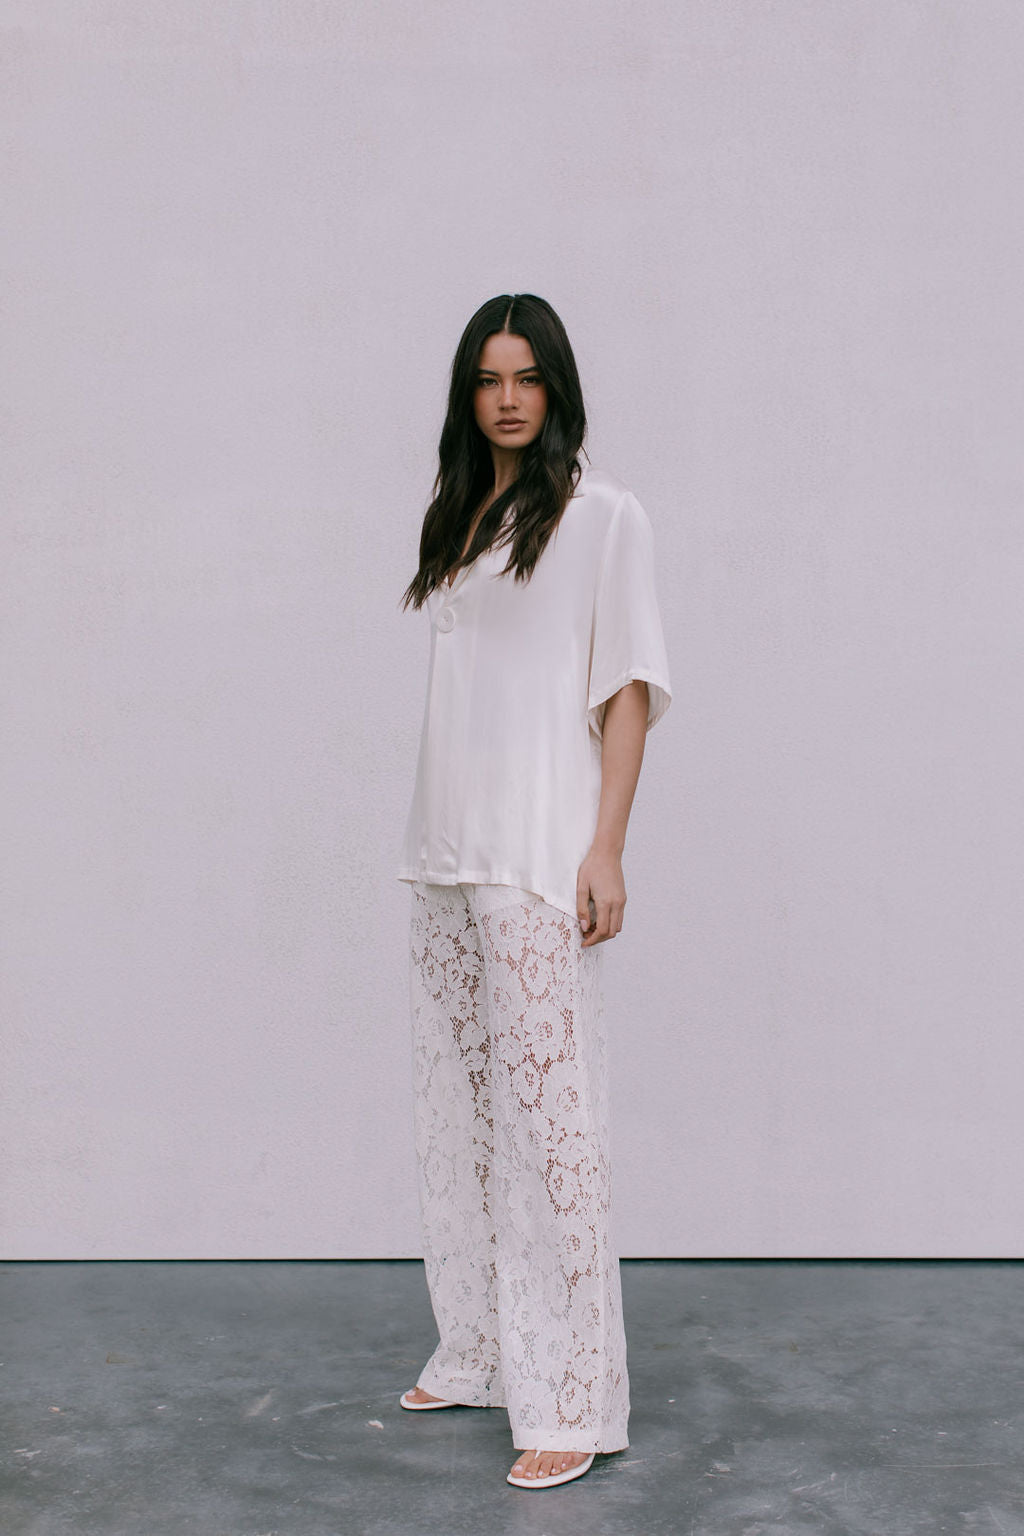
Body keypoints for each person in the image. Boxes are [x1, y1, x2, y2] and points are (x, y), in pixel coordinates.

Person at [395, 293, 672, 1490]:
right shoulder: (463, 514)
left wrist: (605, 848)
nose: (507, 398)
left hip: (538, 858)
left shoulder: (602, 515)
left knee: (554, 1132)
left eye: (527, 378)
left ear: (556, 386)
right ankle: (481, 1349)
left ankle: (570, 1392)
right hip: (444, 852)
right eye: (486, 379)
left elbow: (626, 691)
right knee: (460, 1120)